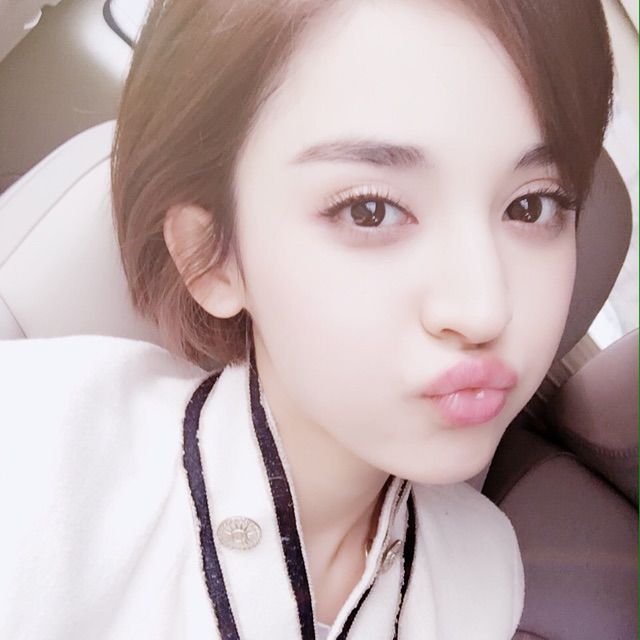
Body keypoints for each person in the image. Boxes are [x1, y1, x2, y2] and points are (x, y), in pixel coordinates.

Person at [0, 0, 613, 638]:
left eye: (533, 206)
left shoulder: (485, 569)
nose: (484, 310)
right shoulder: (30, 451)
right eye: (370, 211)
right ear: (212, 258)